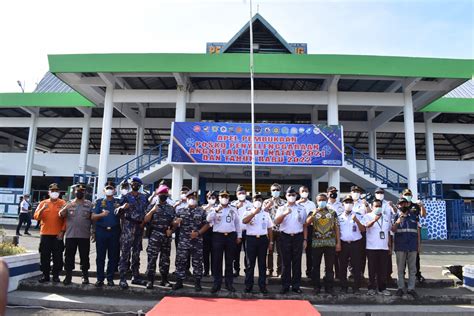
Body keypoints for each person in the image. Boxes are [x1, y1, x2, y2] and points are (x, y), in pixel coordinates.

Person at [115, 176, 149, 289]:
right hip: (128, 227)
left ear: (140, 186)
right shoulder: (125, 197)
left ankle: (136, 276)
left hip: (139, 227)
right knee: (125, 253)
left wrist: (143, 223)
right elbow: (117, 211)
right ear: (131, 185)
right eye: (133, 183)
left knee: (136, 253)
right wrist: (122, 207)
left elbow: (146, 211)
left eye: (137, 184)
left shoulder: (144, 197)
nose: (135, 185)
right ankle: (123, 278)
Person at [172, 191, 210, 291]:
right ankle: (179, 282)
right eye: (190, 197)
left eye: (193, 197)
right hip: (183, 241)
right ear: (187, 199)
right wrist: (176, 223)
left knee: (197, 262)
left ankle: (197, 283)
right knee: (181, 261)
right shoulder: (180, 210)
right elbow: (174, 225)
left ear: (196, 199)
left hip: (197, 241)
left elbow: (207, 224)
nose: (192, 199)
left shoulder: (201, 211)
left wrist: (198, 233)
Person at [207, 190, 242, 293]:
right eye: (222, 196)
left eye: (226, 196)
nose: (224, 198)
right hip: (218, 236)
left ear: (229, 198)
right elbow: (209, 220)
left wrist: (239, 236)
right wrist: (215, 211)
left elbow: (237, 223)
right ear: (219, 198)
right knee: (217, 261)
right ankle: (216, 284)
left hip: (230, 236)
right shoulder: (214, 208)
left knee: (229, 261)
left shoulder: (233, 209)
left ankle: (229, 283)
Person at [274, 186, 307, 294]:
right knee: (285, 262)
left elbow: (305, 225)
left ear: (296, 196)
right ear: (286, 196)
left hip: (298, 237)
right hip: (285, 237)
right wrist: (285, 214)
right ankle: (285, 285)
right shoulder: (281, 208)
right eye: (289, 195)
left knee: (297, 262)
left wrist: (305, 239)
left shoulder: (301, 208)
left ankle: (296, 286)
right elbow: (276, 222)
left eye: (293, 195)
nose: (291, 197)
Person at [59, 183, 93, 285]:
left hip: (84, 235)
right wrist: (66, 207)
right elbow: (61, 215)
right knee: (69, 256)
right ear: (74, 192)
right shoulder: (69, 203)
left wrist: (94, 232)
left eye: (82, 191)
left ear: (85, 192)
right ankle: (68, 276)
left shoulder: (89, 204)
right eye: (78, 191)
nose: (79, 192)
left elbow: (93, 219)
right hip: (71, 235)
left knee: (84, 257)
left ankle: (85, 276)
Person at [307, 193, 341, 295]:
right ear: (316, 201)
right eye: (319, 200)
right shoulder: (312, 212)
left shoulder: (332, 212)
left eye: (323, 200)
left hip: (330, 243)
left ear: (326, 201)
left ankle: (329, 287)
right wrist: (315, 213)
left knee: (329, 267)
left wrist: (338, 242)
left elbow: (336, 228)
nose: (321, 202)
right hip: (316, 243)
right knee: (315, 266)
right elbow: (307, 223)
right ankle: (316, 287)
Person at [143, 184, 175, 289]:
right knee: (152, 258)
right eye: (161, 194)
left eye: (164, 194)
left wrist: (172, 230)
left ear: (167, 195)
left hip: (166, 236)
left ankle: (164, 280)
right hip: (155, 235)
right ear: (158, 195)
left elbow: (173, 223)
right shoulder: (151, 206)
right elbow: (145, 220)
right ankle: (150, 280)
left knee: (165, 259)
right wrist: (152, 210)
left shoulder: (171, 208)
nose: (163, 196)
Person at [34, 183, 66, 283]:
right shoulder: (43, 203)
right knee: (44, 256)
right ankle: (45, 275)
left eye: (56, 191)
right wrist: (43, 209)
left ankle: (56, 275)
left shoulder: (63, 203)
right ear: (49, 192)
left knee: (58, 257)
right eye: (52, 191)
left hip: (57, 235)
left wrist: (62, 231)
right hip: (45, 234)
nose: (54, 192)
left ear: (59, 192)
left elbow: (66, 219)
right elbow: (36, 217)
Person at [242, 194, 273, 294]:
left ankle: (262, 285)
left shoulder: (266, 214)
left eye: (259, 199)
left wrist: (271, 241)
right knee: (250, 264)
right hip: (251, 239)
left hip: (263, 240)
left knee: (262, 264)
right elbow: (244, 221)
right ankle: (248, 285)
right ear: (252, 201)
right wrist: (254, 213)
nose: (257, 201)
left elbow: (270, 228)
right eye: (256, 199)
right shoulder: (248, 211)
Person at [92, 181, 121, 287]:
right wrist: (101, 214)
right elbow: (92, 217)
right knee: (100, 256)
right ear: (104, 190)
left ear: (114, 190)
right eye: (107, 188)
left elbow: (123, 215)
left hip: (114, 231)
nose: (109, 190)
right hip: (101, 231)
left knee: (113, 256)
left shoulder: (118, 202)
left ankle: (110, 278)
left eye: (111, 188)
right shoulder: (99, 202)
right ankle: (100, 278)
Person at [363, 199, 392, 296]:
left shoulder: (386, 217)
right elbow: (366, 226)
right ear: (372, 207)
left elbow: (388, 232)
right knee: (372, 269)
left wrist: (389, 246)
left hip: (383, 247)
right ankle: (371, 288)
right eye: (376, 206)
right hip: (371, 247)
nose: (378, 208)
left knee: (383, 269)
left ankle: (382, 288)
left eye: (379, 206)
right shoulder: (367, 216)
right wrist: (374, 220)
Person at [392, 199, 420, 299]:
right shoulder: (395, 216)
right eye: (400, 204)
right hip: (400, 246)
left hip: (412, 246)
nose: (402, 205)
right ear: (398, 205)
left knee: (412, 269)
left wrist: (418, 246)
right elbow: (393, 230)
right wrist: (398, 222)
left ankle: (411, 289)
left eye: (403, 203)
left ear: (407, 204)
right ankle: (400, 288)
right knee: (400, 269)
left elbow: (417, 231)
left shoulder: (414, 216)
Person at [337, 195, 364, 294]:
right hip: (343, 244)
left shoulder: (359, 215)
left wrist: (356, 220)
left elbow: (363, 230)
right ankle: (343, 287)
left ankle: (356, 288)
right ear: (343, 204)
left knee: (356, 266)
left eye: (350, 202)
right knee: (342, 266)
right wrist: (338, 243)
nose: (348, 204)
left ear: (353, 204)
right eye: (346, 202)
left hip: (355, 244)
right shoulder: (339, 217)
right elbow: (338, 231)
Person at [401, 188, 427, 283]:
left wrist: (422, 206)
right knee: (403, 256)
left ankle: (417, 274)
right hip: (403, 234)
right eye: (406, 194)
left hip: (414, 234)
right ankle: (402, 275)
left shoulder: (415, 206)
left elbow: (423, 215)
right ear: (402, 195)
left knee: (416, 256)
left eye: (409, 194)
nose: (408, 196)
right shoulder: (400, 205)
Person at [374, 187, 397, 283]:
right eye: (378, 192)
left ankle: (388, 274)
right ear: (375, 194)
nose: (380, 194)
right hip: (375, 232)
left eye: (381, 192)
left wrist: (393, 206)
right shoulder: (373, 204)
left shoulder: (388, 204)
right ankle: (376, 274)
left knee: (388, 253)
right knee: (375, 254)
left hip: (387, 231)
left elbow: (395, 213)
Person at [231, 184, 252, 277]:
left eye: (243, 193)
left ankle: (247, 270)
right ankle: (236, 270)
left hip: (247, 231)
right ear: (236, 194)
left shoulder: (250, 204)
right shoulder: (232, 204)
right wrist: (237, 208)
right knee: (235, 252)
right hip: (236, 232)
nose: (242, 194)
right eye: (240, 193)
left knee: (248, 253)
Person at [264, 183, 285, 277]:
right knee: (269, 251)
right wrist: (268, 205)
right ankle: (270, 270)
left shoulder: (284, 202)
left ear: (280, 191)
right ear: (270, 191)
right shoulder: (266, 201)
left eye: (277, 190)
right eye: (273, 190)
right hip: (269, 230)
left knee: (280, 252)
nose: (275, 191)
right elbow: (261, 213)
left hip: (281, 230)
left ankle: (279, 271)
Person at [296, 185, 316, 279]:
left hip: (309, 228)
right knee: (297, 252)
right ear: (299, 193)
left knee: (310, 252)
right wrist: (299, 202)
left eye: (306, 190)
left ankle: (309, 272)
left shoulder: (312, 204)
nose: (304, 192)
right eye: (302, 191)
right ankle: (296, 274)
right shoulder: (295, 203)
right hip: (297, 229)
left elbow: (313, 216)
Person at [350, 185, 369, 279]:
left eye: (357, 192)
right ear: (351, 193)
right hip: (350, 231)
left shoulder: (363, 204)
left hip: (361, 230)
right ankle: (352, 271)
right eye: (354, 191)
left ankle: (361, 272)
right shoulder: (346, 203)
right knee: (351, 253)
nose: (356, 193)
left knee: (362, 253)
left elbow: (369, 214)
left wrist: (366, 205)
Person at [173, 186, 191, 275]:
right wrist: (175, 205)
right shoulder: (176, 203)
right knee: (178, 249)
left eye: (185, 192)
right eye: (182, 192)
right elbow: (171, 214)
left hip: (187, 230)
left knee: (188, 250)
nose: (184, 194)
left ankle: (187, 269)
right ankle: (178, 268)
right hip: (178, 229)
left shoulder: (191, 203)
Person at [326, 186, 343, 279]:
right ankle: (328, 276)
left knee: (338, 256)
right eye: (332, 192)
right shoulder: (324, 205)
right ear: (327, 193)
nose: (333, 193)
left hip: (338, 231)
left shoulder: (341, 205)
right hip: (327, 232)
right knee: (329, 256)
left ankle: (338, 276)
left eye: (335, 192)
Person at [202, 191, 218, 277]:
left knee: (215, 253)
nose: (212, 199)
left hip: (215, 231)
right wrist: (209, 206)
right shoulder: (204, 207)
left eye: (213, 198)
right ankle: (206, 270)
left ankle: (214, 271)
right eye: (210, 198)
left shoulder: (218, 207)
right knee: (205, 253)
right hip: (205, 232)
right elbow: (201, 212)